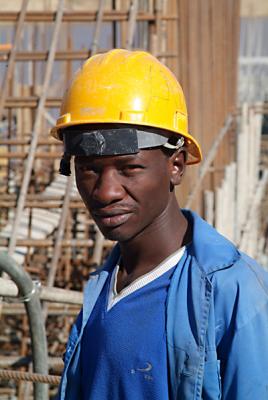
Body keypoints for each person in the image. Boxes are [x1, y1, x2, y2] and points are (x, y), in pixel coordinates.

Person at [51, 49, 268, 400]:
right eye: (89, 168)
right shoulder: (104, 286)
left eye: (129, 168)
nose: (105, 191)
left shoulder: (234, 293)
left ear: (177, 165)